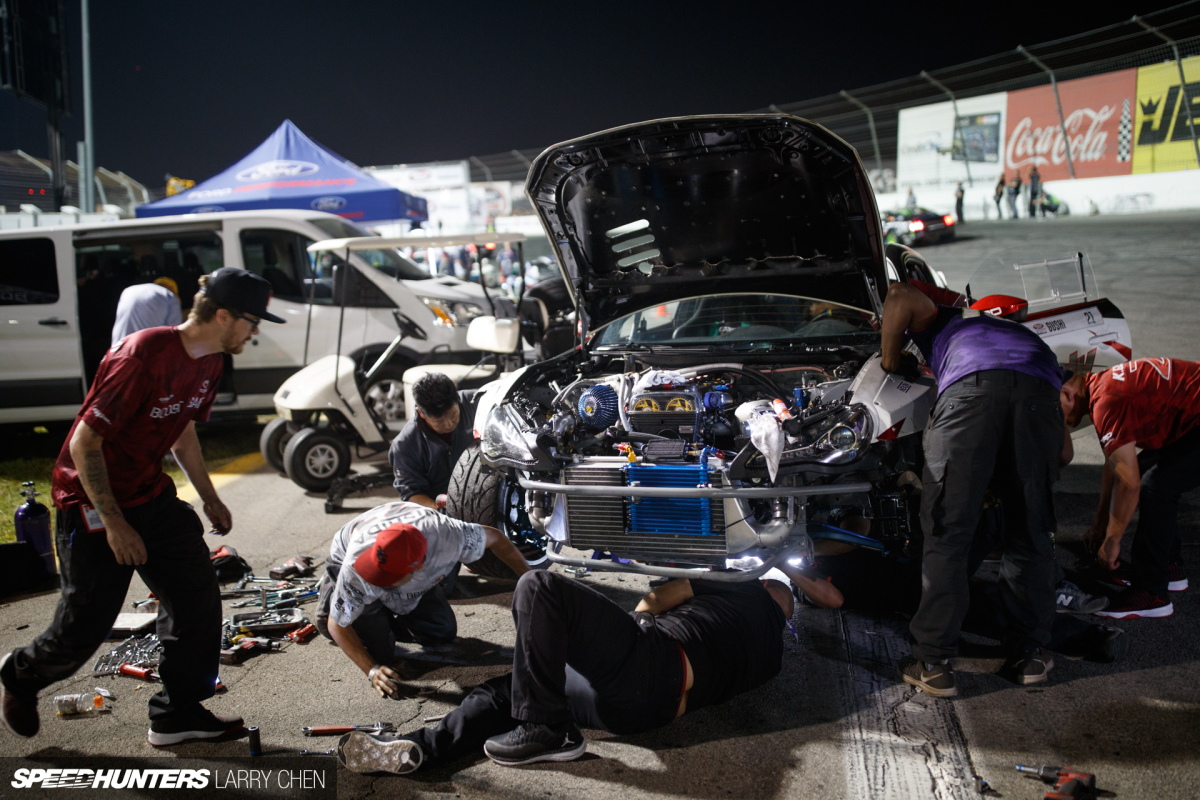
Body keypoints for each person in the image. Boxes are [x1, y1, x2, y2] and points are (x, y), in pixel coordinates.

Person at [0, 268, 284, 745]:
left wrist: (210, 496)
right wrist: (114, 524)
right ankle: (21, 675)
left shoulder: (211, 361)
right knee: (84, 626)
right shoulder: (142, 355)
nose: (255, 333)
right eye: (252, 322)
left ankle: (176, 714)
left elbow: (182, 429)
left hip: (151, 495)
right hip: (90, 502)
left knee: (196, 598)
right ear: (222, 315)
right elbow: (85, 444)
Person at [334, 570, 794, 774]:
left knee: (540, 586)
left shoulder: (747, 589)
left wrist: (636, 626)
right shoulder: (772, 658)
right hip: (641, 713)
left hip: (653, 662)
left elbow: (656, 598)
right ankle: (418, 750)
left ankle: (548, 729)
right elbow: (828, 599)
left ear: (769, 587)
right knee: (513, 689)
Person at [881, 282, 1065, 696]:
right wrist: (1008, 482)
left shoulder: (949, 318)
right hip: (1040, 396)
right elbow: (1064, 454)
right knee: (1031, 532)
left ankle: (932, 662)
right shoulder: (1027, 340)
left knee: (948, 530)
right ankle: (1029, 655)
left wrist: (892, 358)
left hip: (969, 392)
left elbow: (898, 297)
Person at [315, 501, 531, 695]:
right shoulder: (357, 565)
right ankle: (337, 592)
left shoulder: (451, 537)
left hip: (419, 566)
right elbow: (337, 625)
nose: (380, 579)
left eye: (387, 577)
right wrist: (371, 670)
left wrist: (530, 579)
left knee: (442, 633)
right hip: (347, 554)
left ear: (418, 566)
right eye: (380, 574)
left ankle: (381, 613)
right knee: (380, 655)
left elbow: (498, 539)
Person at [1060, 358, 1200, 619]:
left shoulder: (1105, 403)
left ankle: (1152, 593)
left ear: (1066, 394)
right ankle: (1168, 567)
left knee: (1155, 487)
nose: (1062, 423)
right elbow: (1116, 466)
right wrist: (1100, 525)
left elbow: (1129, 483)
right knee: (1147, 467)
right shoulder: (1103, 386)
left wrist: (1112, 541)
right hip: (1193, 419)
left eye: (1054, 412)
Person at [388, 373, 476, 509]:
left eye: (453, 415)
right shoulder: (405, 446)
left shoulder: (480, 403)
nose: (448, 424)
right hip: (444, 513)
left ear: (457, 399)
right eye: (439, 421)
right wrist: (446, 511)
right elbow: (412, 494)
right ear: (422, 413)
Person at [111, 277, 183, 345]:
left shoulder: (128, 291)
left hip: (116, 350)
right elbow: (175, 335)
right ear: (171, 288)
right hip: (142, 353)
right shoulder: (170, 296)